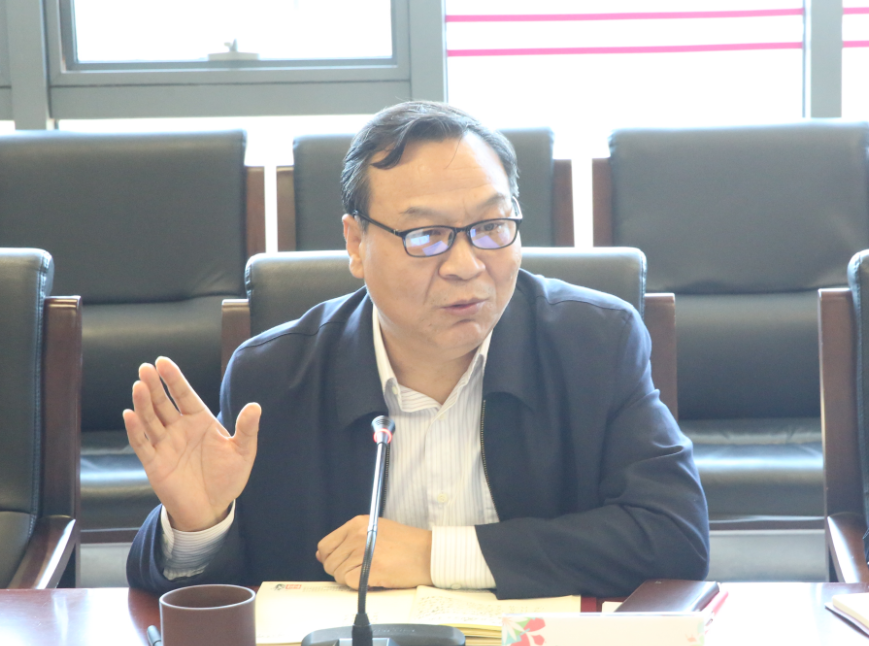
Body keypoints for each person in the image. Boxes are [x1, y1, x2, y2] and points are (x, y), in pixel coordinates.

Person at [125, 101, 709, 598]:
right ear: (356, 243)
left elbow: (674, 538)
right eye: (426, 236)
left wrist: (436, 554)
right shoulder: (275, 378)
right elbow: (217, 599)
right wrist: (200, 525)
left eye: (492, 226)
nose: (466, 265)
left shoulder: (595, 343)